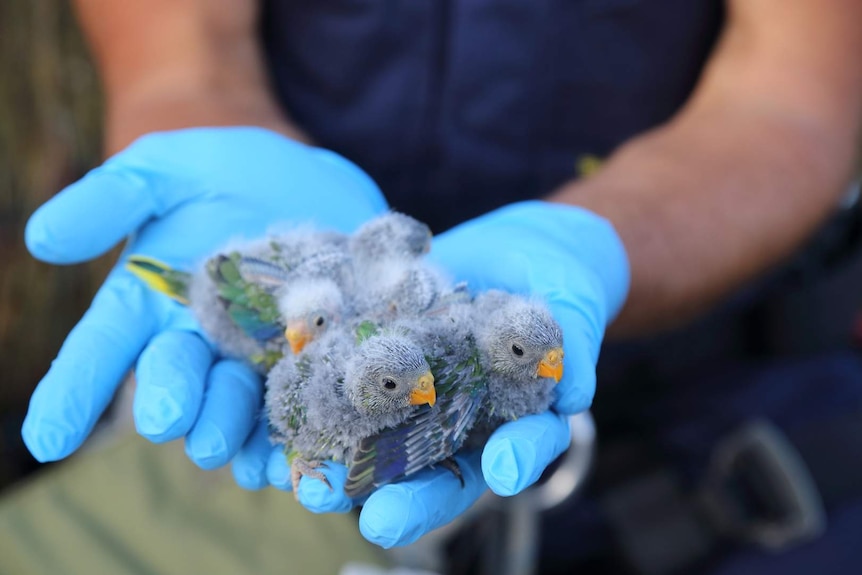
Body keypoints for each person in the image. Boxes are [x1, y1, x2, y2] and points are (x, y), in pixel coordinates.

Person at [20, 0, 862, 558]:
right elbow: (183, 53)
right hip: (257, 429)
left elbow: (789, 100)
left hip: (713, 420)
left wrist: (599, 244)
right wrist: (246, 214)